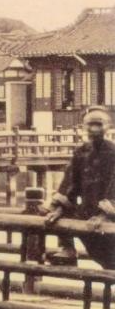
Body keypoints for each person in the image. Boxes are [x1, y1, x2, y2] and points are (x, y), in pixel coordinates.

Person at [43, 107, 115, 268]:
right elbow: (70, 185)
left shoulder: (113, 152)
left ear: (108, 126)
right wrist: (60, 208)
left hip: (109, 214)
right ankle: (68, 249)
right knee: (55, 212)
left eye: (98, 124)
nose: (94, 129)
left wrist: (104, 215)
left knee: (110, 262)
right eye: (90, 124)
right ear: (84, 126)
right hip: (87, 213)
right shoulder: (80, 152)